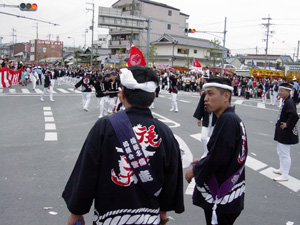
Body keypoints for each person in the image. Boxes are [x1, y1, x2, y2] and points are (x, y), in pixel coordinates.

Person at [62, 66, 184, 225]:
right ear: (154, 96)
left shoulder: (105, 126)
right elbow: (172, 176)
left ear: (123, 94)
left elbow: (87, 171)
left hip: (109, 218)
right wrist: (163, 211)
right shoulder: (165, 132)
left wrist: (77, 211)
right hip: (149, 218)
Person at [185, 77, 248, 225]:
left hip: (223, 196)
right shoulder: (231, 119)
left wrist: (195, 170)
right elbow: (225, 153)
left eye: (210, 94)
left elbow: (218, 157)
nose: (205, 99)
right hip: (228, 195)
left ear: (226, 96)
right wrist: (203, 161)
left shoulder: (228, 120)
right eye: (205, 94)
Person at [273, 83, 299, 181]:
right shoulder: (286, 101)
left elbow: (294, 116)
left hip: (286, 131)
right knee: (280, 151)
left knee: (284, 153)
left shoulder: (289, 102)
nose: (279, 92)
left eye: (281, 91)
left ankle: (285, 175)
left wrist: (287, 125)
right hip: (282, 130)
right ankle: (281, 169)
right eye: (279, 90)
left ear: (288, 92)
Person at [193, 75, 217, 158]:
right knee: (203, 137)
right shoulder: (204, 94)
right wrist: (199, 118)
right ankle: (206, 152)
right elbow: (201, 105)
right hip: (206, 118)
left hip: (216, 119)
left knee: (215, 138)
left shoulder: (217, 94)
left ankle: (213, 153)